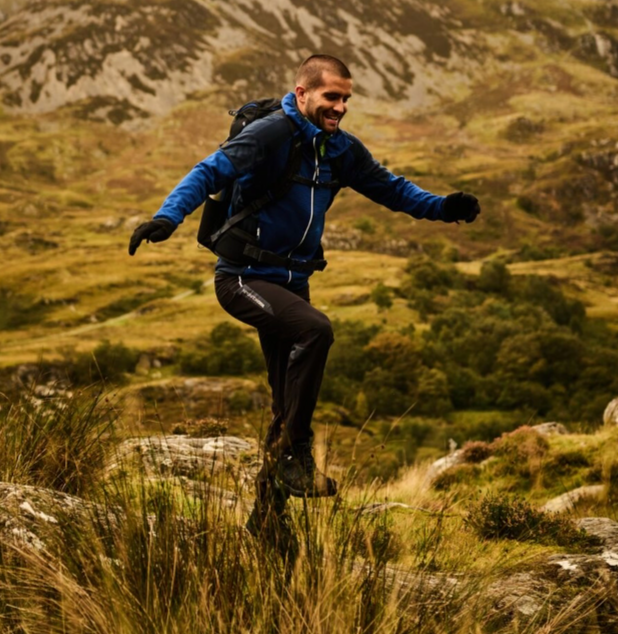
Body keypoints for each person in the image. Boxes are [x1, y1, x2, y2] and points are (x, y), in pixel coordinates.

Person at [129, 54, 480, 536]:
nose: (339, 107)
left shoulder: (341, 150)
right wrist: (167, 218)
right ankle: (297, 453)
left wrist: (444, 208)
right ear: (303, 93)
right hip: (243, 278)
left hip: (293, 281)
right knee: (316, 330)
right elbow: (208, 172)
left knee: (284, 401)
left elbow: (391, 189)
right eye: (331, 97)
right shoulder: (270, 135)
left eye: (346, 99)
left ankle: (267, 517)